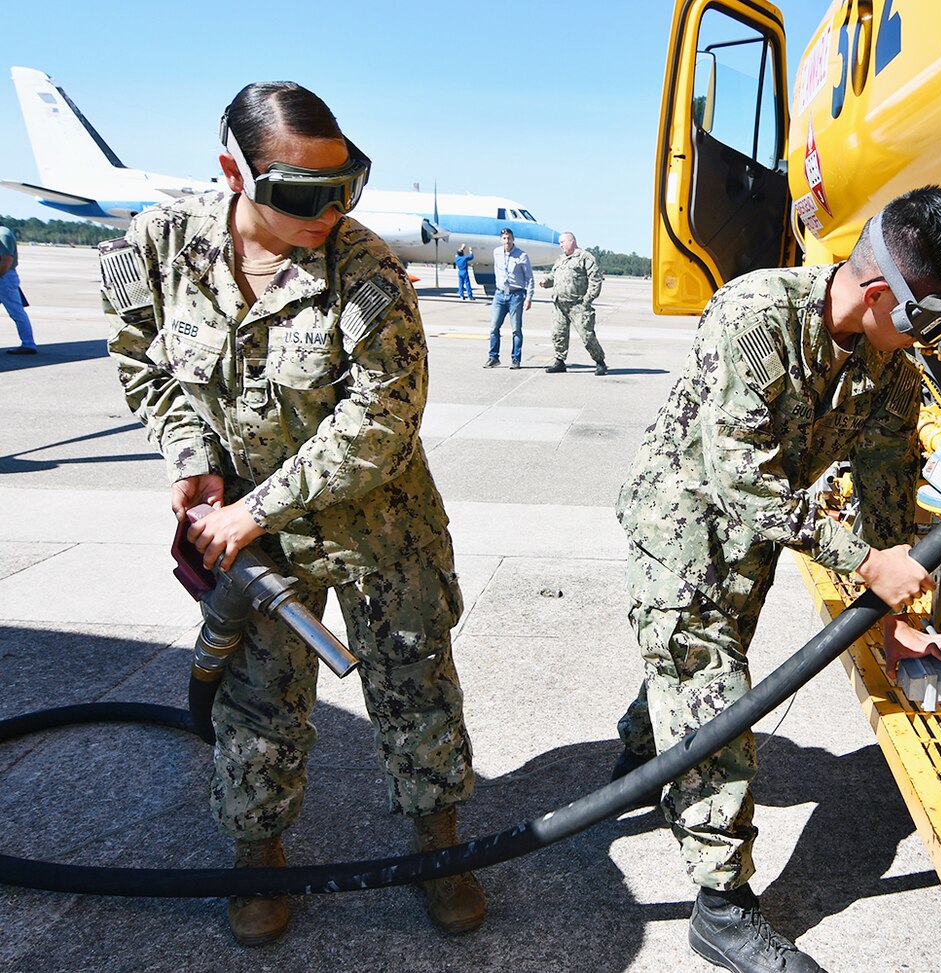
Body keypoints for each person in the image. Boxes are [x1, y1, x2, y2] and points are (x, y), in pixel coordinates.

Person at [101, 81, 483, 946]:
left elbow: (381, 422)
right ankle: (257, 856)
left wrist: (253, 508)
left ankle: (437, 848)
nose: (331, 209)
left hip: (381, 531)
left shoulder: (367, 268)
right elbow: (143, 362)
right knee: (255, 700)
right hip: (255, 539)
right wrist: (192, 459)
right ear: (233, 169)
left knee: (415, 687)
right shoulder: (158, 247)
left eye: (346, 184)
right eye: (303, 194)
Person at [613, 186, 941, 973]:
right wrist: (862, 561)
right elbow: (740, 480)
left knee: (690, 666)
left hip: (760, 534)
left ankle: (647, 739)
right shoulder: (756, 314)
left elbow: (887, 483)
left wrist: (891, 612)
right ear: (883, 293)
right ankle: (722, 905)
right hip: (682, 523)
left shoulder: (888, 368)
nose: (940, 338)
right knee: (715, 691)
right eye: (935, 319)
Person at [540, 231, 606, 375]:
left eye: (562, 242)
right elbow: (554, 275)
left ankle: (600, 362)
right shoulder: (561, 259)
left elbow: (595, 281)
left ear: (572, 241)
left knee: (587, 335)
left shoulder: (585, 258)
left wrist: (587, 300)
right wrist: (546, 281)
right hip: (560, 304)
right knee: (558, 334)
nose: (560, 245)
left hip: (578, 304)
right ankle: (559, 361)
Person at [485, 228, 533, 369]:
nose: (507, 241)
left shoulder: (522, 256)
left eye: (509, 238)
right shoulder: (497, 252)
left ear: (513, 239)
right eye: (504, 238)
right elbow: (497, 271)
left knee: (516, 329)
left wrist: (528, 297)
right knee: (494, 327)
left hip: (516, 295)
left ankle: (516, 359)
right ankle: (493, 357)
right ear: (501, 239)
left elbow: (529, 278)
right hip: (500, 294)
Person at [0, 224, 37, 355]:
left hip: (4, 277)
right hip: (4, 277)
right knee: (17, 312)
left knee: (16, 312)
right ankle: (28, 343)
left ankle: (28, 344)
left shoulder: (2, 234)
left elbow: (6, 262)